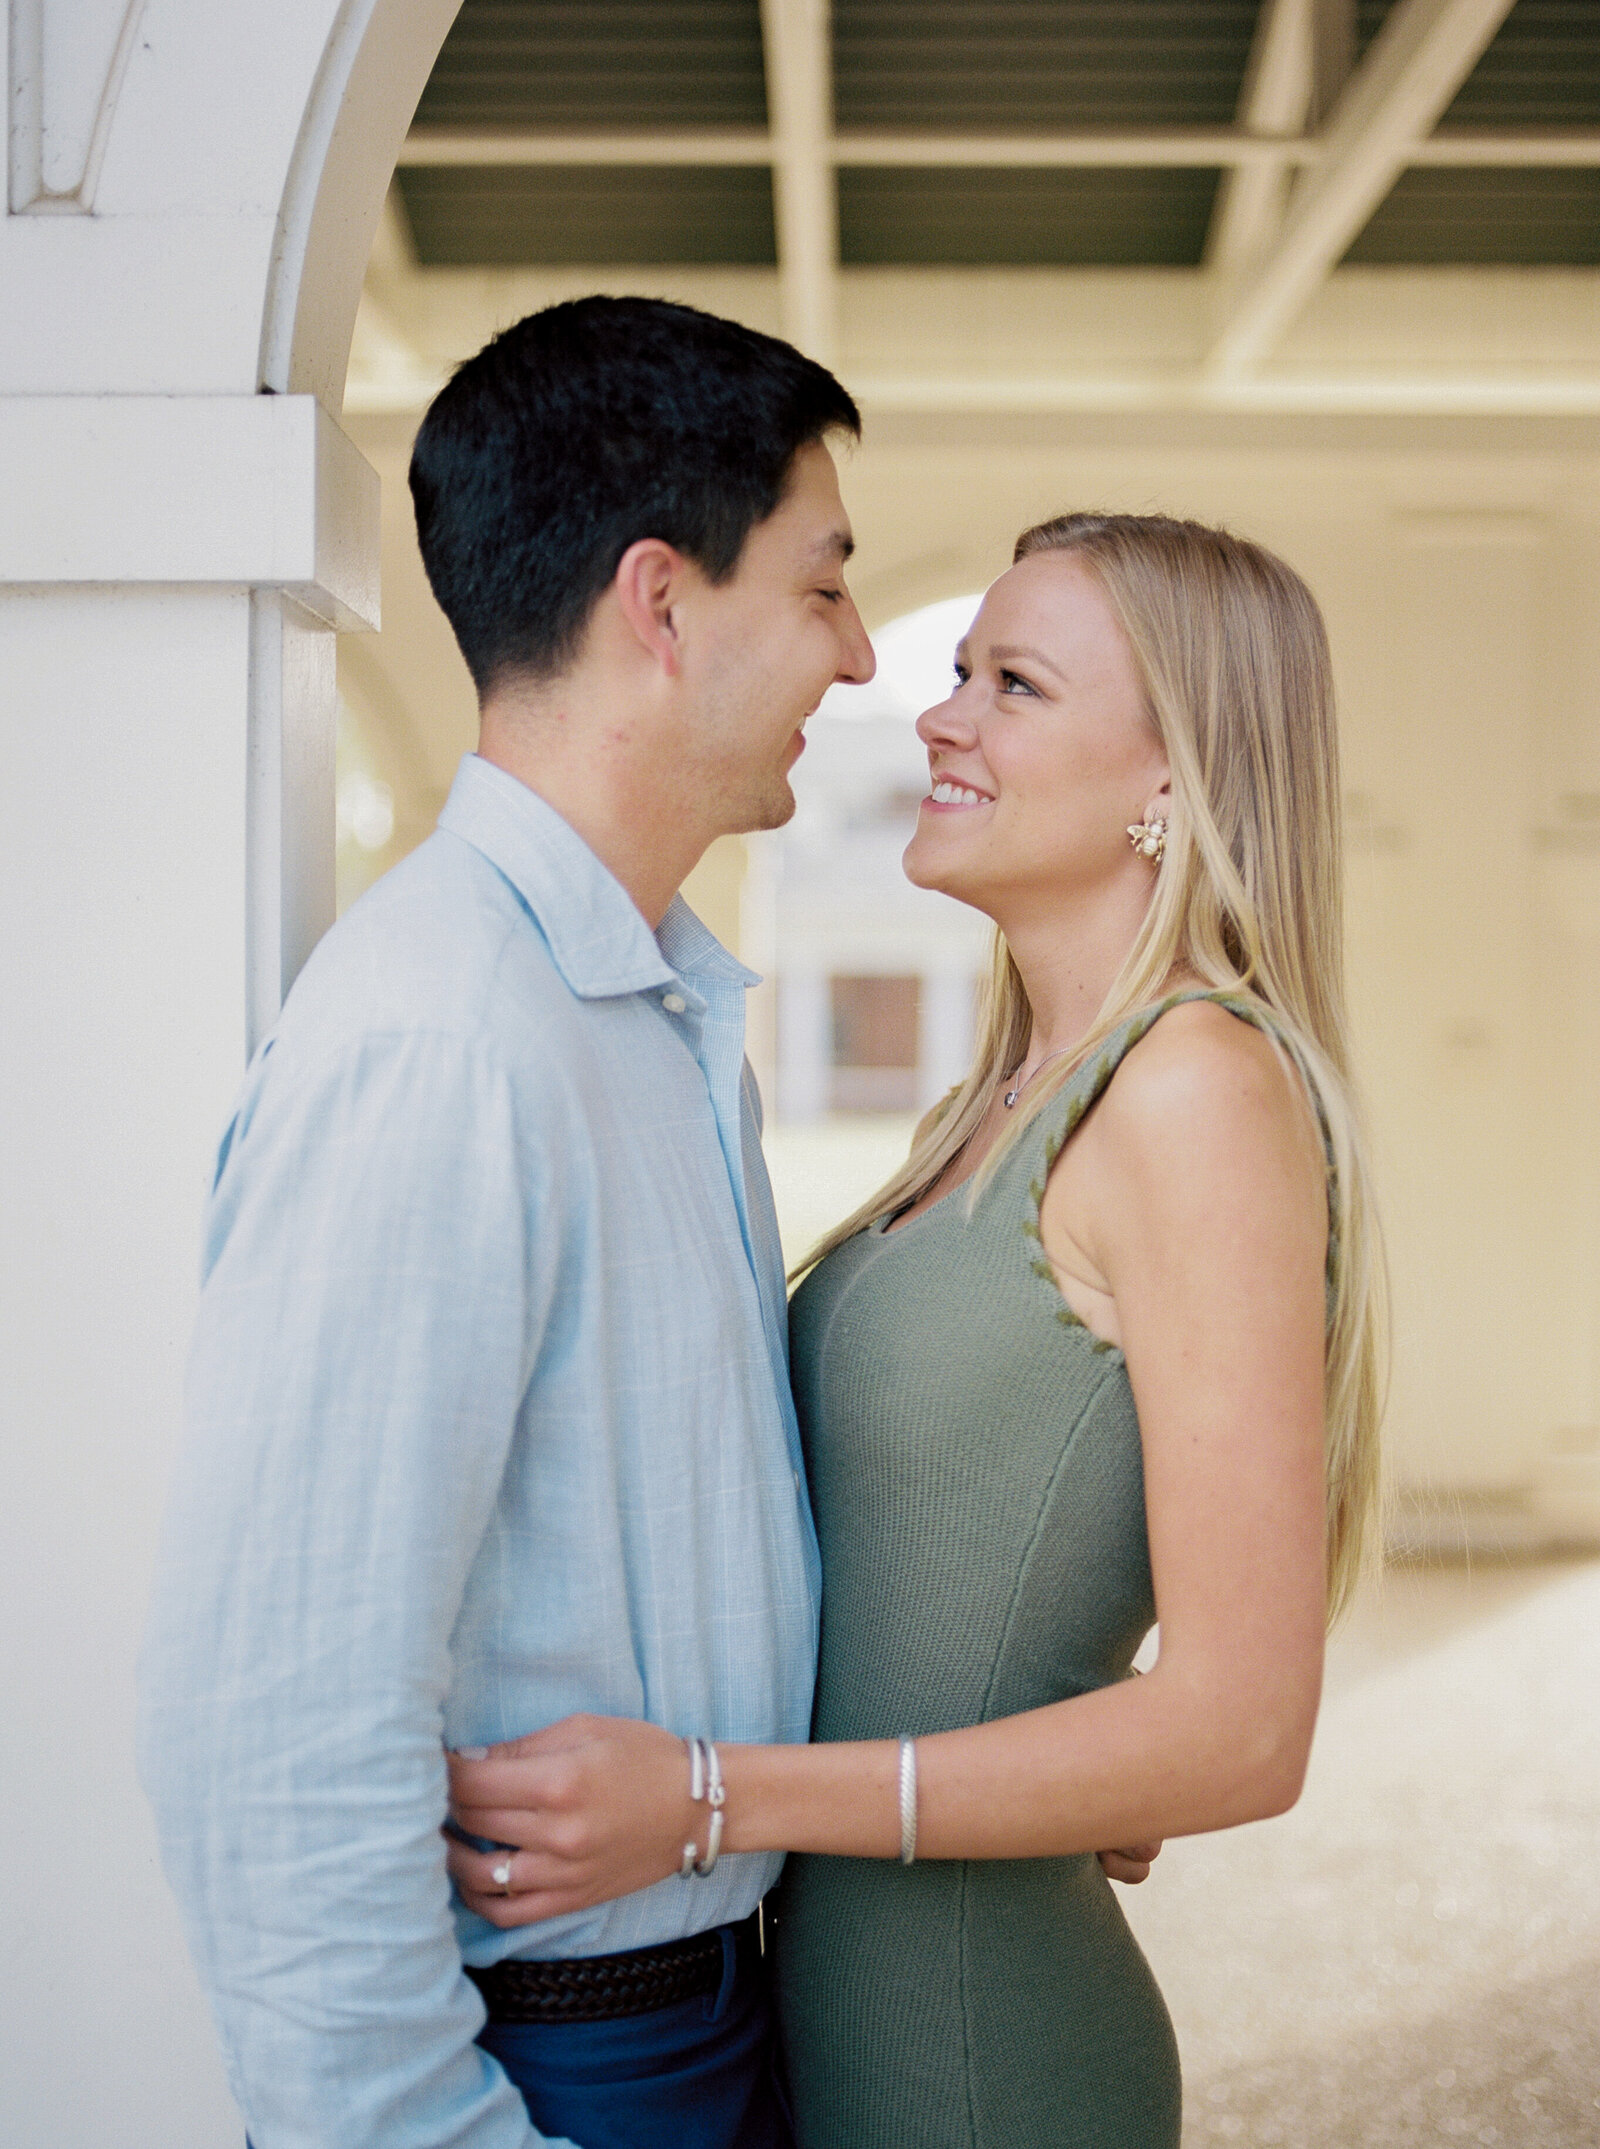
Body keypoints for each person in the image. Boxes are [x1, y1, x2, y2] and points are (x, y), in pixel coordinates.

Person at [137, 299, 1152, 2149]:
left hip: (721, 2009)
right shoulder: (441, 1042)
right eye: (827, 585)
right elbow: (273, 1724)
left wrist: (1028, 1751)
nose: (861, 660)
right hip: (552, 2064)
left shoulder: (656, 1013)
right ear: (662, 605)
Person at [444, 511, 1387, 2148]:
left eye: (1012, 683)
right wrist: (1065, 1758)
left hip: (978, 2056)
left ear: (1177, 776)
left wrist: (713, 1795)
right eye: (963, 671)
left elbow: (1242, 1725)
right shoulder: (999, 1094)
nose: (937, 711)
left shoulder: (1193, 1092)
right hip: (823, 2019)